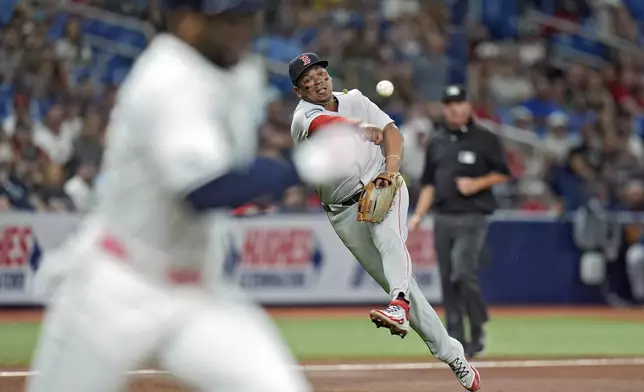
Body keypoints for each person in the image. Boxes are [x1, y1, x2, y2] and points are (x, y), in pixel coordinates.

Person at [27, 2, 359, 392]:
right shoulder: (167, 78)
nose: (243, 28)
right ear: (186, 21)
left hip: (195, 290)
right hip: (117, 284)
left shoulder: (238, 69)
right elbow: (202, 190)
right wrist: (302, 166)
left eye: (247, 16)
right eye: (228, 20)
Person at [289, 53, 481, 392]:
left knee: (387, 235)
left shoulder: (356, 100)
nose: (317, 80)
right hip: (343, 212)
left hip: (382, 184)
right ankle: (454, 356)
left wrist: (390, 172)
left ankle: (398, 305)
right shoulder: (303, 117)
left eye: (320, 73)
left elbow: (393, 133)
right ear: (298, 90)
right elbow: (326, 126)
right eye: (308, 79)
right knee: (408, 289)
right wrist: (359, 129)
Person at [409, 85, 511, 359]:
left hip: (473, 216)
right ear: (445, 108)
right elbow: (429, 182)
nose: (454, 107)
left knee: (462, 272)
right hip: (442, 217)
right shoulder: (438, 140)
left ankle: (477, 328)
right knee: (447, 279)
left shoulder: (485, 138)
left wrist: (477, 183)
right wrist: (418, 215)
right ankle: (455, 337)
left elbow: (502, 173)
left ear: (468, 106)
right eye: (449, 103)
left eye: (459, 102)